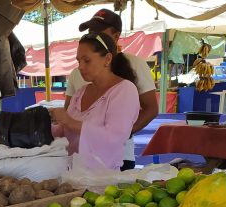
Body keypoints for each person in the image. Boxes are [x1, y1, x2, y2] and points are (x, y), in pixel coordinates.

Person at [64, 9, 158, 170]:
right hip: (79, 163)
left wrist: (122, 134)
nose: (93, 35)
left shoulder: (134, 65)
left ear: (116, 36)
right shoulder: (77, 74)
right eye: (91, 31)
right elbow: (67, 117)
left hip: (115, 160)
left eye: (99, 31)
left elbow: (151, 108)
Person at [50, 32, 140, 171]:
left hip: (103, 180)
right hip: (71, 175)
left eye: (86, 60)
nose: (80, 67)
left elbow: (113, 137)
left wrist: (69, 121)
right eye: (78, 61)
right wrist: (45, 125)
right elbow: (64, 131)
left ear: (107, 59)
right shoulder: (81, 92)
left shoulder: (125, 90)